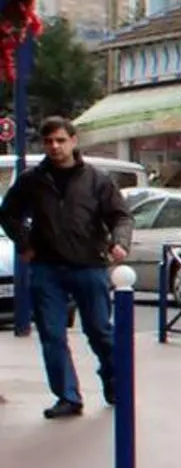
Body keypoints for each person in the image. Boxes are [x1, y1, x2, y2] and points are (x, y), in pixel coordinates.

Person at [0, 116, 132, 418]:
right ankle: (68, 397)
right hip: (47, 269)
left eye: (61, 140)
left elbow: (120, 216)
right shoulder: (33, 180)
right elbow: (8, 214)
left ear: (73, 141)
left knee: (100, 330)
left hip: (89, 266)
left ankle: (114, 381)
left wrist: (119, 241)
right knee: (52, 335)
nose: (55, 147)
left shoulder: (97, 180)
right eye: (49, 142)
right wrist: (24, 243)